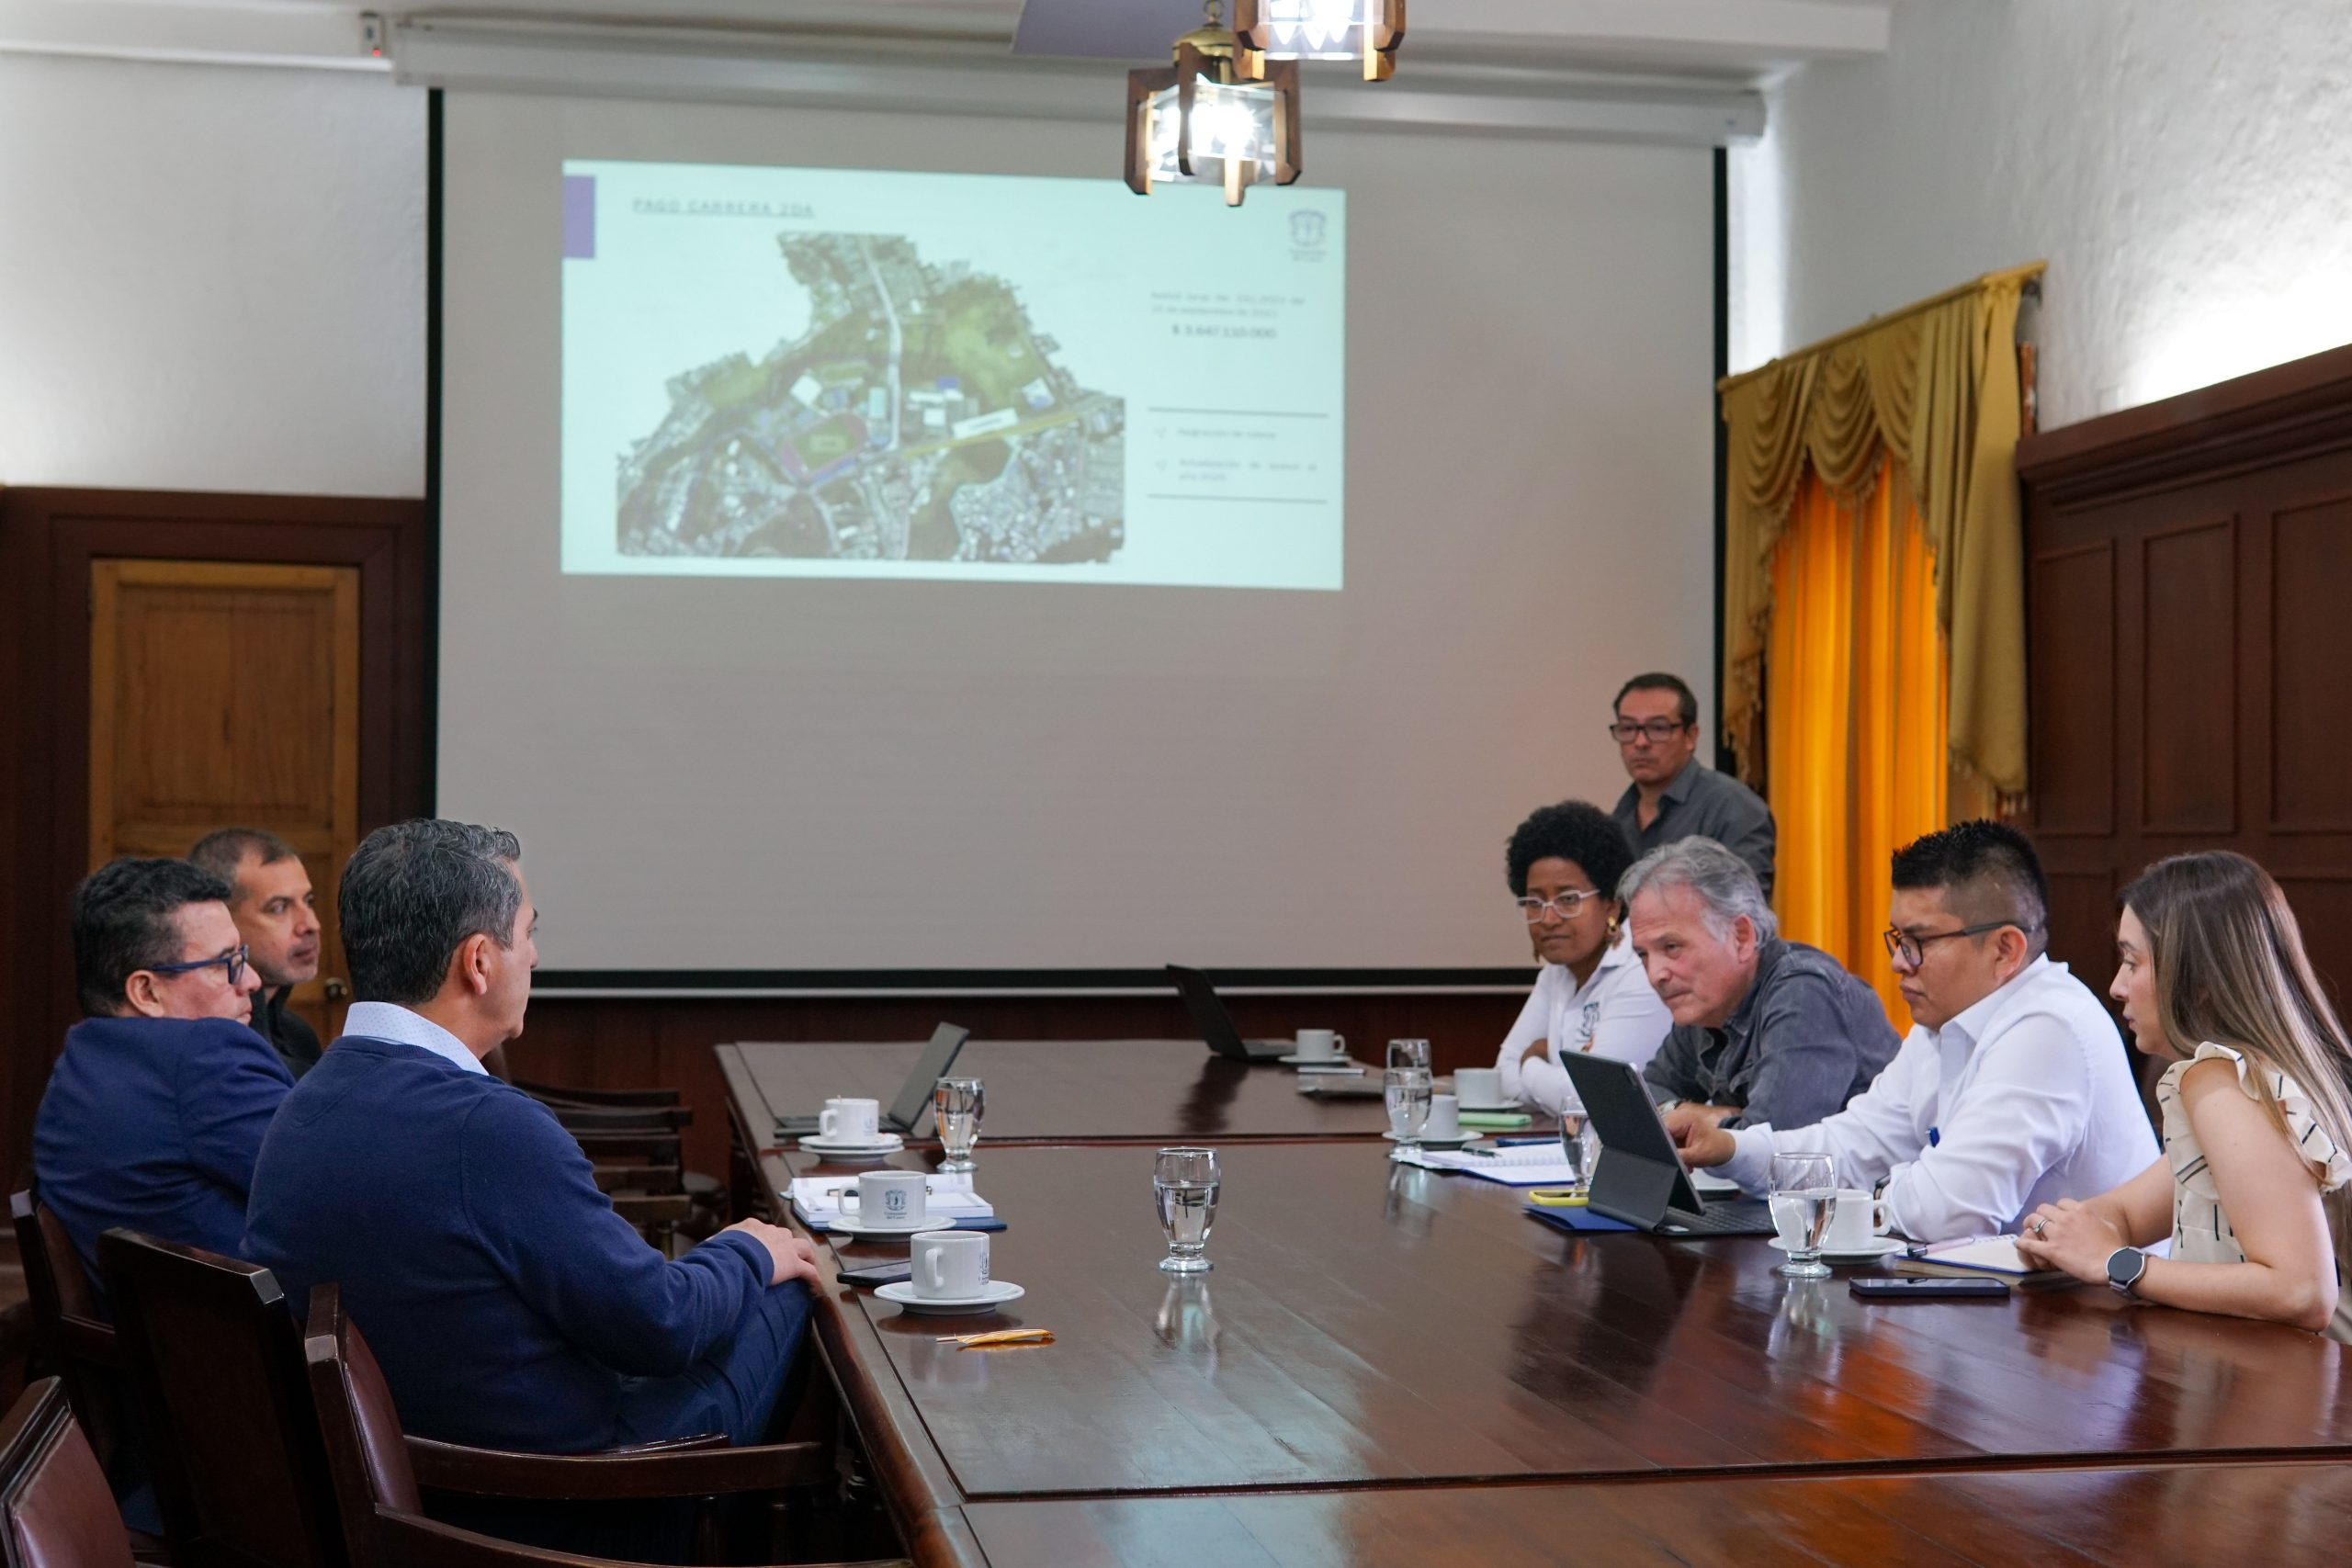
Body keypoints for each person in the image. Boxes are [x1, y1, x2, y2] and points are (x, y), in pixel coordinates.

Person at [243, 820, 823, 1554]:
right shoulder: (487, 1128)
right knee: (795, 1280)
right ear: (479, 961)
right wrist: (746, 1250)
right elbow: (660, 1325)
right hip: (557, 1506)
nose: (538, 954)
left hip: (415, 1496)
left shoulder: (305, 1101)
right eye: (528, 931)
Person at [1668, 821, 2156, 1243]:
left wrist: (1876, 1188)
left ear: (2005, 950)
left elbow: (1953, 1211)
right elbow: (1853, 1144)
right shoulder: (1944, 1022)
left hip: (2092, 1327)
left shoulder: (2050, 1027)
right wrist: (1731, 1149)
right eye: (1898, 939)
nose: (1899, 963)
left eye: (1920, 941)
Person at [2018, 852, 2352, 1340]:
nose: (2116, 986)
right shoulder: (2241, 1075)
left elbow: (2301, 1292)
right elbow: (2129, 1213)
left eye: (2132, 962)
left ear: (2197, 979)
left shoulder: (2224, 1082)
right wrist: (2069, 1233)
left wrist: (2117, 1263)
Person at [33, 857, 288, 1292]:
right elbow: (330, 1185)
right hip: (259, 1342)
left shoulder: (79, 1059)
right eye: (223, 962)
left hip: (154, 1341)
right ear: (147, 991)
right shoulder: (203, 1056)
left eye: (241, 955)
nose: (251, 980)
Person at [1626, 838, 1897, 1132]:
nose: (1655, 974)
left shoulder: (1805, 993)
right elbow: (1642, 1098)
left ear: (1741, 937)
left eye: (1672, 946)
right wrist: (1688, 1112)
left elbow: (1773, 1147)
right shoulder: (1705, 1003)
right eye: (1643, 954)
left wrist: (1709, 1119)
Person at [1490, 800, 1672, 1118]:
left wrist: (1530, 1063)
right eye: (1534, 901)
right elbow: (1502, 1078)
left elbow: (1595, 1100)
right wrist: (1552, 1080)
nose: (1548, 918)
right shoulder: (1556, 973)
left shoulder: (1641, 968)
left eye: (1568, 899)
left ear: (1612, 906)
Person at [1607, 671, 1777, 897]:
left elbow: (1744, 909)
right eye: (1628, 728)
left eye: (1658, 728)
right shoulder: (1620, 816)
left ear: (1690, 736)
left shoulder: (1734, 808)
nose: (1640, 742)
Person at [189, 827, 324, 1079]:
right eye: (279, 908)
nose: (310, 924)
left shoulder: (298, 1036)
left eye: (308, 901)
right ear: (221, 917)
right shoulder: (211, 1042)